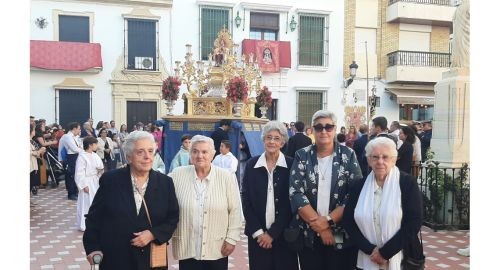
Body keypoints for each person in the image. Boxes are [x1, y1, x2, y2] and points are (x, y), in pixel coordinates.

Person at [83, 131, 180, 269]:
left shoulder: (165, 183)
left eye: (150, 151)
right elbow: (94, 217)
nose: (147, 157)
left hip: (150, 259)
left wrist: (153, 234)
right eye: (140, 152)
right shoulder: (111, 180)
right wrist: (92, 247)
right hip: (116, 257)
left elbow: (172, 217)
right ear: (129, 157)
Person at [289, 110, 363, 270]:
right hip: (309, 231)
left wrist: (328, 222)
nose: (324, 131)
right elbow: (296, 193)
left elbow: (354, 193)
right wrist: (321, 228)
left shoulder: (348, 155)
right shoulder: (302, 155)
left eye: (328, 127)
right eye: (319, 127)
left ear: (335, 129)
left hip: (340, 231)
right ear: (312, 130)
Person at [343, 137, 423, 270]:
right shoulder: (359, 186)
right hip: (366, 257)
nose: (380, 161)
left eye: (385, 157)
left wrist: (385, 253)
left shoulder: (407, 183)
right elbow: (348, 221)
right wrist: (370, 250)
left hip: (400, 257)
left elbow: (413, 222)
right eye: (375, 157)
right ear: (369, 160)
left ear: (394, 160)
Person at [168, 135, 242, 270]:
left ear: (213, 154)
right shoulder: (177, 175)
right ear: (190, 154)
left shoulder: (225, 177)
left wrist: (231, 239)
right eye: (195, 151)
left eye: (204, 152)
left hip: (217, 248)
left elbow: (235, 210)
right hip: (187, 248)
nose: (199, 156)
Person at [241, 121, 299, 270]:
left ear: (283, 142)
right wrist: (259, 233)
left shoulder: (291, 164)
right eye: (268, 137)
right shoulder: (251, 165)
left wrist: (272, 233)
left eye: (276, 138)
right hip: (258, 237)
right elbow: (246, 201)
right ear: (263, 140)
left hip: (284, 235)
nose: (272, 141)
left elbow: (291, 203)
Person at [75, 136, 104, 231]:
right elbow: (79, 172)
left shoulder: (95, 155)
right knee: (86, 203)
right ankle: (84, 224)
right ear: (90, 145)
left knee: (96, 202)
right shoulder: (82, 156)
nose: (97, 145)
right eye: (95, 144)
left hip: (95, 181)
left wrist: (100, 171)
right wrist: (83, 185)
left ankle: (96, 223)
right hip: (87, 181)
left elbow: (100, 167)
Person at [58, 122, 84, 200]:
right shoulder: (67, 137)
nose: (80, 131)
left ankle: (75, 192)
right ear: (74, 129)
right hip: (69, 158)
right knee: (70, 175)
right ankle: (71, 193)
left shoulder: (76, 137)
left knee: (76, 174)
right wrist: (83, 150)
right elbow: (74, 149)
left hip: (76, 156)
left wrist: (81, 149)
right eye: (79, 129)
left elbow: (80, 145)